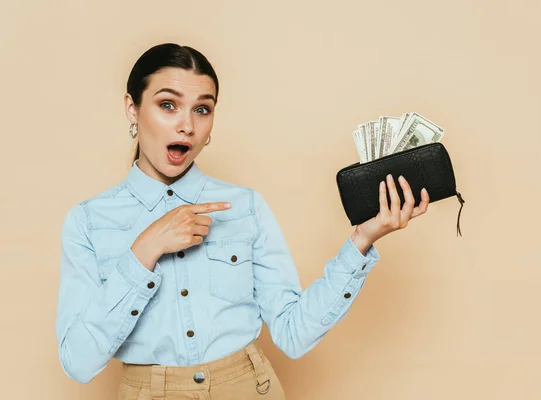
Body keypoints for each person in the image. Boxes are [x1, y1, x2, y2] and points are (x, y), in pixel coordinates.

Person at [54, 43, 430, 400]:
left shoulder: (244, 206)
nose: (187, 125)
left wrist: (362, 241)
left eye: (202, 109)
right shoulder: (89, 221)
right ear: (132, 109)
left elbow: (293, 333)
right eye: (168, 105)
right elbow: (78, 362)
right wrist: (145, 250)